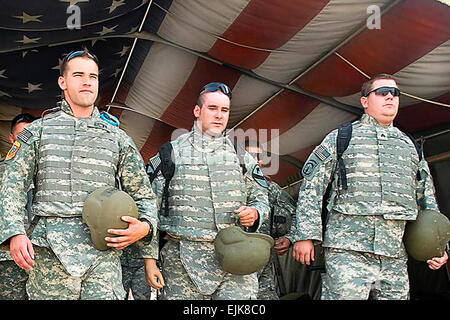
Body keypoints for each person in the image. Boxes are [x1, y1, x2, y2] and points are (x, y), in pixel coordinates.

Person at [0, 49, 158, 300]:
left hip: (103, 258)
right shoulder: (38, 132)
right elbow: (12, 185)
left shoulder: (117, 138)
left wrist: (145, 227)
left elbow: (143, 195)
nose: (87, 81)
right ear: (63, 82)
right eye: (79, 75)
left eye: (93, 76)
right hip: (50, 255)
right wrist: (15, 232)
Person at [292, 73, 448, 300]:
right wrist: (305, 235)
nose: (390, 98)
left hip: (393, 255)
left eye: (395, 93)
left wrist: (437, 247)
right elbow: (312, 186)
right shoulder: (342, 137)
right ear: (365, 101)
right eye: (382, 92)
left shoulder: (410, 146)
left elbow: (427, 199)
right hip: (347, 252)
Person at [144, 82, 270, 300]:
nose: (219, 115)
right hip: (182, 263)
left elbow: (261, 198)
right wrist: (149, 260)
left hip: (236, 261)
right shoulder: (170, 153)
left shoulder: (241, 157)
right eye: (212, 108)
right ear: (197, 111)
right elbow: (148, 207)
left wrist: (256, 213)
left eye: (224, 110)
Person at [244, 140, 296, 300]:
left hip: (263, 263)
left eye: (258, 156)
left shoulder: (271, 189)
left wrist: (289, 238)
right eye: (250, 155)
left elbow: (296, 216)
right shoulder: (228, 187)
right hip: (233, 261)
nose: (256, 160)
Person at [0, 113, 36, 300]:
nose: (26, 140)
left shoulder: (46, 172)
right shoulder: (2, 171)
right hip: (8, 256)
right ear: (12, 138)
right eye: (21, 135)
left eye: (30, 134)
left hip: (39, 254)